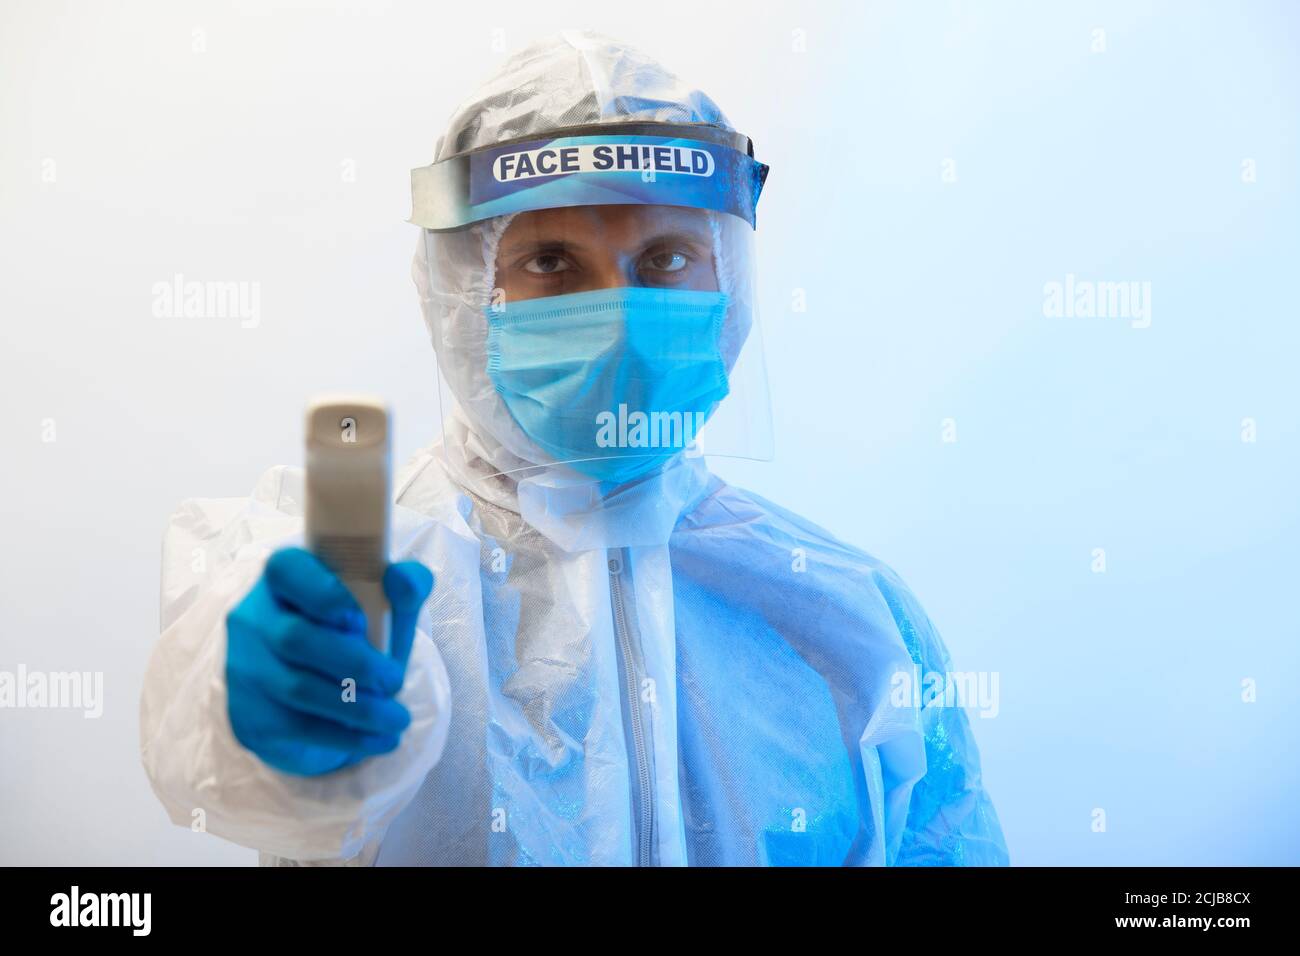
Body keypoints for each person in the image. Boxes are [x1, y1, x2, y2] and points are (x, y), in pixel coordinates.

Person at [140, 30, 1010, 866]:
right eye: (552, 262)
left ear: (729, 280)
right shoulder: (356, 582)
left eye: (666, 260)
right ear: (461, 290)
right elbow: (231, 757)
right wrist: (266, 710)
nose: (619, 314)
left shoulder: (846, 619)